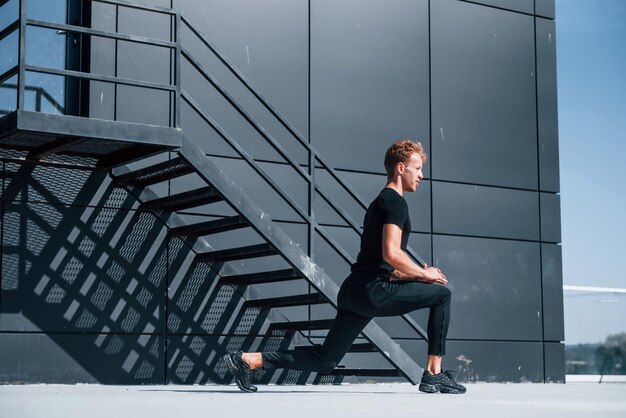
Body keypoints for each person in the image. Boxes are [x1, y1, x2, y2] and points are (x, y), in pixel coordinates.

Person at [223, 140, 466, 394]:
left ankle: (247, 360)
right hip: (373, 289)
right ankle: (434, 373)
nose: (421, 175)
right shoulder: (396, 203)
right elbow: (392, 254)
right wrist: (424, 273)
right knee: (442, 296)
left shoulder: (378, 203)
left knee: (325, 361)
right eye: (417, 169)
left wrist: (416, 274)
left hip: (354, 292)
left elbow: (385, 264)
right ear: (400, 168)